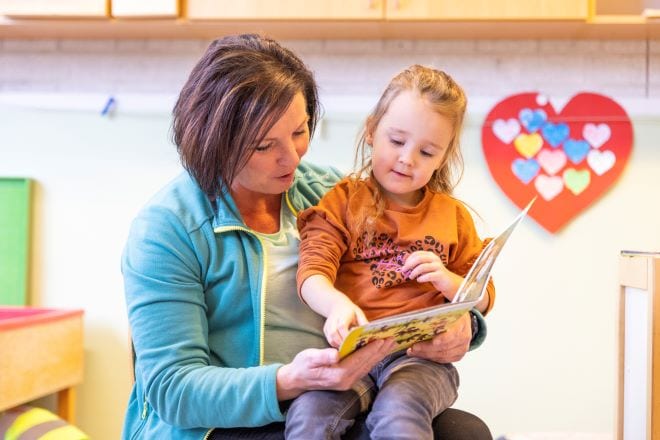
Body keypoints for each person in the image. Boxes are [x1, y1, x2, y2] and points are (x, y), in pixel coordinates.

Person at [122, 34, 492, 440]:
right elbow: (171, 390)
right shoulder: (166, 230)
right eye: (265, 146)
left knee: (463, 431)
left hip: (328, 393)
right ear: (214, 144)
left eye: (299, 132)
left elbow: (422, 272)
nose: (293, 158)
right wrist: (288, 380)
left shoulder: (330, 194)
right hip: (217, 424)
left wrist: (463, 326)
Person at [285, 65, 495, 440]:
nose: (407, 159)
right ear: (371, 131)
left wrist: (448, 280)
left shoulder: (453, 217)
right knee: (309, 415)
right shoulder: (343, 201)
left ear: (442, 158)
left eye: (427, 151)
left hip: (420, 361)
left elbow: (482, 295)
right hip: (353, 355)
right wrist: (335, 305)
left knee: (399, 414)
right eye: (396, 141)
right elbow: (313, 268)